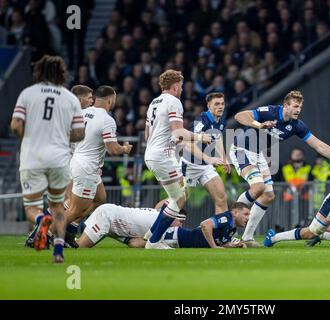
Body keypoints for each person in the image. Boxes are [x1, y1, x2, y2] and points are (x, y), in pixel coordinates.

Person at [230, 90, 330, 247]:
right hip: (241, 148)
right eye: (295, 106)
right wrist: (259, 124)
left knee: (268, 195)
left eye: (300, 107)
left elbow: (319, 145)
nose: (298, 110)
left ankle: (247, 237)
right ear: (285, 106)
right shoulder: (271, 112)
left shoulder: (297, 126)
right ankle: (229, 233)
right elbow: (239, 116)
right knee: (258, 187)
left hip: (257, 154)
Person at [10, 55, 85, 263]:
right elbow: (79, 133)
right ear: (62, 73)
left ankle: (42, 220)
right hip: (59, 158)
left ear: (39, 72)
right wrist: (60, 135)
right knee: (58, 206)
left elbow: (16, 125)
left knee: (32, 207)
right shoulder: (70, 98)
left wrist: (30, 136)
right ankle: (58, 252)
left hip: (32, 157)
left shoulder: (28, 94)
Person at [144, 69, 212, 249]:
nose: (182, 90)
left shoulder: (153, 102)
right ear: (175, 87)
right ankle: (154, 241)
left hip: (151, 153)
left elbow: (147, 134)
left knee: (180, 195)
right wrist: (200, 137)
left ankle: (152, 233)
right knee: (179, 198)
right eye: (181, 86)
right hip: (163, 156)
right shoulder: (174, 102)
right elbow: (178, 131)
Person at [65, 86, 132, 247]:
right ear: (110, 99)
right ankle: (47, 233)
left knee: (100, 198)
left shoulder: (82, 113)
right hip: (86, 167)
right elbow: (113, 149)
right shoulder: (107, 120)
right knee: (75, 210)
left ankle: (71, 229)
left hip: (78, 161)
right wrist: (124, 149)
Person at [77, 202, 250, 249]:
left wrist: (230, 246)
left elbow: (135, 243)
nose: (180, 224)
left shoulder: (156, 222)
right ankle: (55, 236)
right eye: (179, 220)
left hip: (119, 227)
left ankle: (57, 235)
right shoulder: (160, 219)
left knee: (137, 244)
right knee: (79, 247)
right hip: (109, 216)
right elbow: (205, 225)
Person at [181, 92, 231, 214]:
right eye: (217, 104)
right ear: (209, 105)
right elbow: (188, 143)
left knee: (221, 198)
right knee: (178, 200)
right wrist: (208, 159)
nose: (220, 107)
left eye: (222, 104)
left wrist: (224, 159)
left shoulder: (221, 122)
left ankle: (221, 232)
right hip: (190, 165)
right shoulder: (202, 119)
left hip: (205, 166)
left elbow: (217, 139)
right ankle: (152, 219)